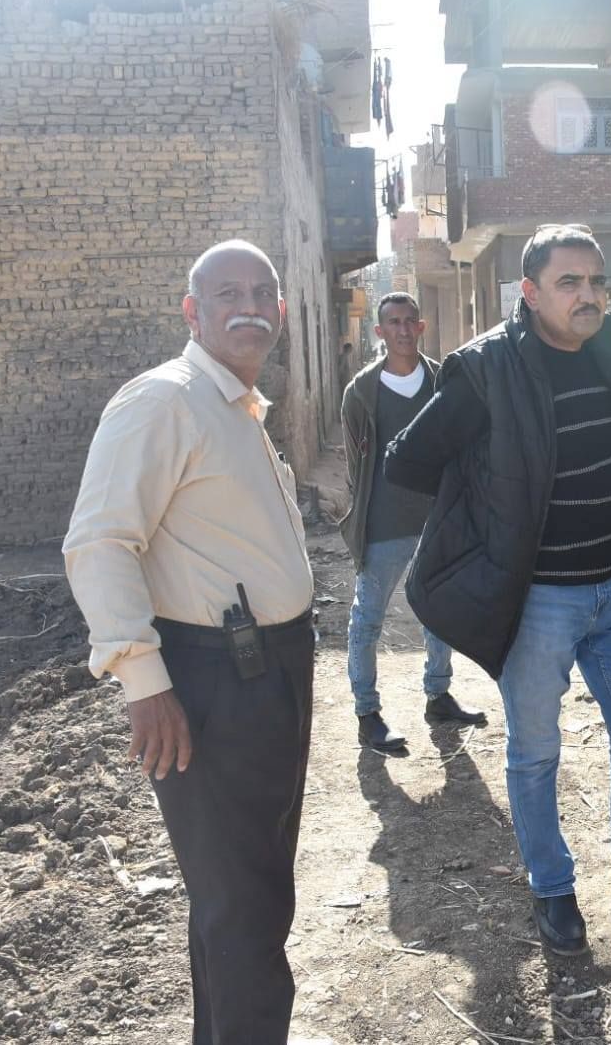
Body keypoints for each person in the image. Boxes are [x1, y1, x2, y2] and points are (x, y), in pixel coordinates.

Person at [384, 224, 611, 955]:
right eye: (568, 282)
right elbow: (407, 461)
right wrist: (485, 517)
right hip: (539, 599)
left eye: (596, 281)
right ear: (531, 293)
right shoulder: (486, 369)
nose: (587, 295)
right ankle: (552, 889)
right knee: (536, 753)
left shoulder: (605, 350)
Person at [64, 240, 316, 1044]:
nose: (250, 307)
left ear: (281, 309)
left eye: (262, 293)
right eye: (227, 294)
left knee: (245, 896)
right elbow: (99, 542)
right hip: (215, 682)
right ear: (192, 312)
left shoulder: (235, 405)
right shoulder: (163, 400)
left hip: (270, 671)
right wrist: (143, 681)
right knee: (245, 908)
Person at [339, 292, 484, 752]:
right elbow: (356, 464)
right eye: (393, 323)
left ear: (421, 327)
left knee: (438, 614)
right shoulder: (361, 392)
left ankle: (438, 696)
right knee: (367, 621)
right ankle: (367, 713)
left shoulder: (443, 381)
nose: (402, 330)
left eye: (409, 321)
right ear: (379, 331)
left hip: (436, 521)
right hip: (383, 526)